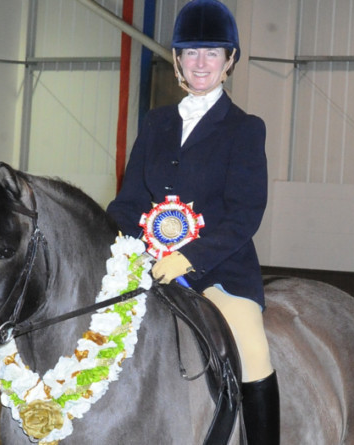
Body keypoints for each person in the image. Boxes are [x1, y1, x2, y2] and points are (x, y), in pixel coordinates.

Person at [106, 1, 279, 443]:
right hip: (147, 264)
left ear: (229, 61)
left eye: (212, 53)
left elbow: (245, 214)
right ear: (178, 60)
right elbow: (127, 203)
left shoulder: (245, 128)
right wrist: (133, 248)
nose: (201, 63)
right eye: (191, 52)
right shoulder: (156, 122)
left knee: (254, 352)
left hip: (220, 273)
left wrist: (188, 259)